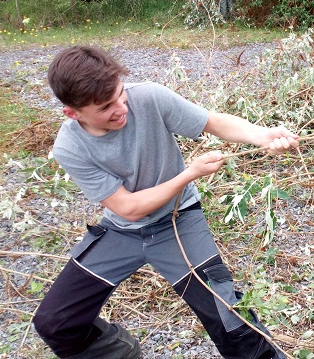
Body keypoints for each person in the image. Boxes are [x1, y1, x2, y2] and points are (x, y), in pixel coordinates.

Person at [33, 46, 298, 358]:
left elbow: (211, 122)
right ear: (73, 113)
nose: (122, 108)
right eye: (106, 107)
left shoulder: (148, 97)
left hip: (178, 220)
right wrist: (189, 174)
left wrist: (263, 135)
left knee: (229, 318)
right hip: (123, 231)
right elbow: (128, 208)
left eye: (121, 95)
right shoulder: (69, 147)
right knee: (56, 323)